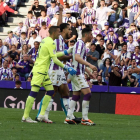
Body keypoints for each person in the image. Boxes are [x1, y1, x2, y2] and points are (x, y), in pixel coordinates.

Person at [22, 26, 76, 123]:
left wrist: (66, 52)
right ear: (54, 32)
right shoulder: (51, 42)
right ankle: (25, 117)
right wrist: (67, 67)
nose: (60, 33)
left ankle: (42, 115)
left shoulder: (45, 40)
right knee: (33, 93)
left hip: (43, 71)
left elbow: (52, 55)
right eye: (59, 32)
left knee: (50, 91)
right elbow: (54, 59)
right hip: (39, 70)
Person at [36, 23, 79, 123]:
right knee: (52, 92)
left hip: (59, 70)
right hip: (53, 69)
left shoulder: (61, 40)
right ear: (63, 30)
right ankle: (42, 116)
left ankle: (69, 116)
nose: (71, 31)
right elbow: (57, 57)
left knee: (65, 92)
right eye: (69, 29)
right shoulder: (57, 39)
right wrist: (71, 56)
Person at [65, 28, 97, 125]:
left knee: (76, 95)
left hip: (77, 72)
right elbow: (77, 58)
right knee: (87, 94)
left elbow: (79, 61)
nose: (92, 37)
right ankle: (85, 118)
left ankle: (69, 117)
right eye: (91, 34)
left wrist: (88, 72)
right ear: (86, 34)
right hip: (77, 73)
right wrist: (90, 65)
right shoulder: (80, 44)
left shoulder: (81, 44)